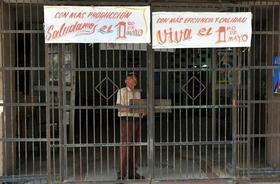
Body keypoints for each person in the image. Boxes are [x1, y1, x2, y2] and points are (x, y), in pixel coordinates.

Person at [116, 72, 145, 180]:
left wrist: (142, 111)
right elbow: (119, 107)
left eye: (135, 80)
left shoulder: (138, 92)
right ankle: (121, 174)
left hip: (137, 120)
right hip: (126, 120)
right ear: (126, 81)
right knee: (125, 146)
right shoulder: (121, 91)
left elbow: (140, 106)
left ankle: (133, 172)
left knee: (135, 146)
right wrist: (132, 109)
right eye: (132, 79)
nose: (134, 81)